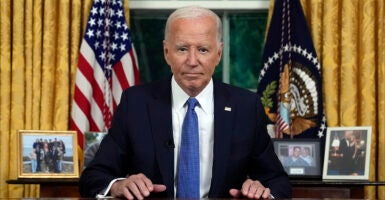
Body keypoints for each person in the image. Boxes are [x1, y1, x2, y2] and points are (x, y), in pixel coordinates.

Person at [79, 5, 291, 199]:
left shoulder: (246, 106)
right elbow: (95, 176)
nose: (192, 61)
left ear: (218, 54)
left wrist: (263, 192)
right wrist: (118, 185)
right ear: (166, 52)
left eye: (203, 50)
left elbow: (278, 182)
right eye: (182, 49)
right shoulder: (135, 103)